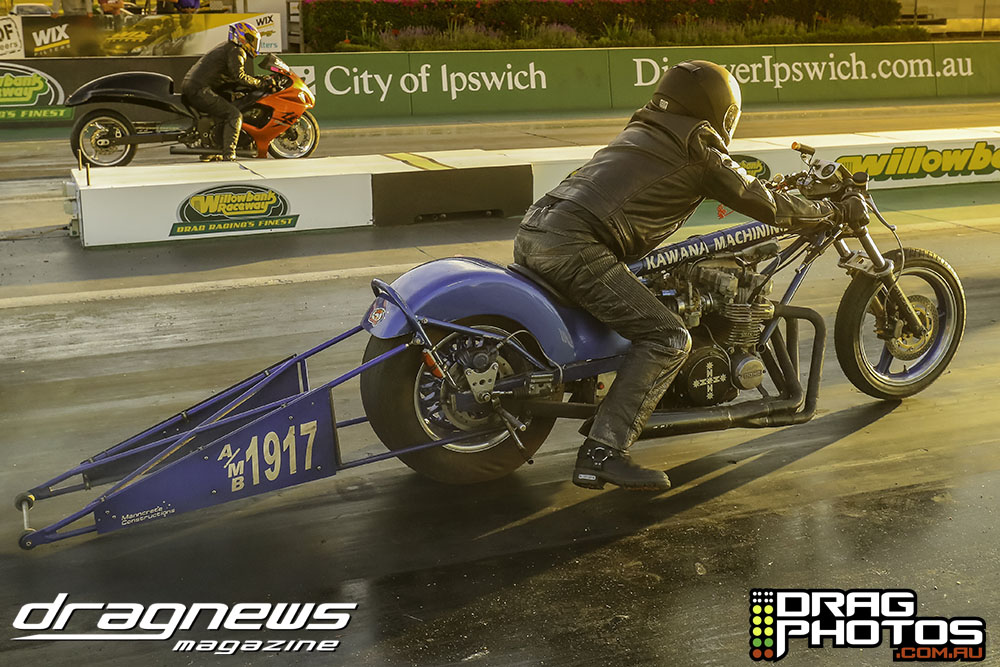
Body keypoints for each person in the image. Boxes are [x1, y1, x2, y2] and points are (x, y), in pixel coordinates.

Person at [513, 60, 868, 492]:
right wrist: (828, 209)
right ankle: (602, 453)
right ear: (722, 110)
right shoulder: (697, 144)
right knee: (667, 336)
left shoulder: (647, 129)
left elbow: (735, 185)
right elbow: (762, 202)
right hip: (576, 245)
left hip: (538, 230)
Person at [180, 22, 275, 161]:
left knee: (229, 105)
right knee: (234, 115)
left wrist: (256, 80)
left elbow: (230, 76)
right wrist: (261, 83)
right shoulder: (236, 50)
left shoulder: (227, 47)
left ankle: (211, 149)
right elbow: (239, 76)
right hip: (200, 89)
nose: (254, 45)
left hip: (196, 86)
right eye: (253, 41)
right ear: (244, 37)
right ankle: (229, 153)